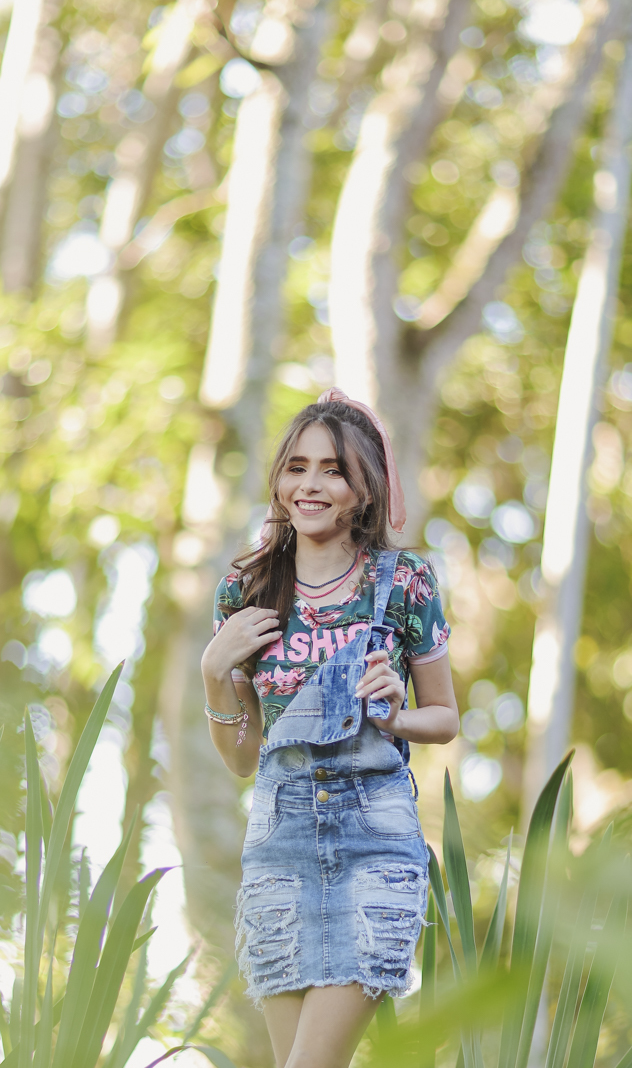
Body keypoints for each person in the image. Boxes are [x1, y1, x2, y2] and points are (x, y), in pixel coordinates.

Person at [201, 389, 459, 1068]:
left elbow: (447, 717)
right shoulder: (246, 589)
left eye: (333, 470)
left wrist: (394, 713)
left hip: (375, 847)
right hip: (278, 852)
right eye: (297, 466)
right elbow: (242, 757)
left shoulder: (403, 582)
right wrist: (212, 671)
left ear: (363, 490)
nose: (310, 485)